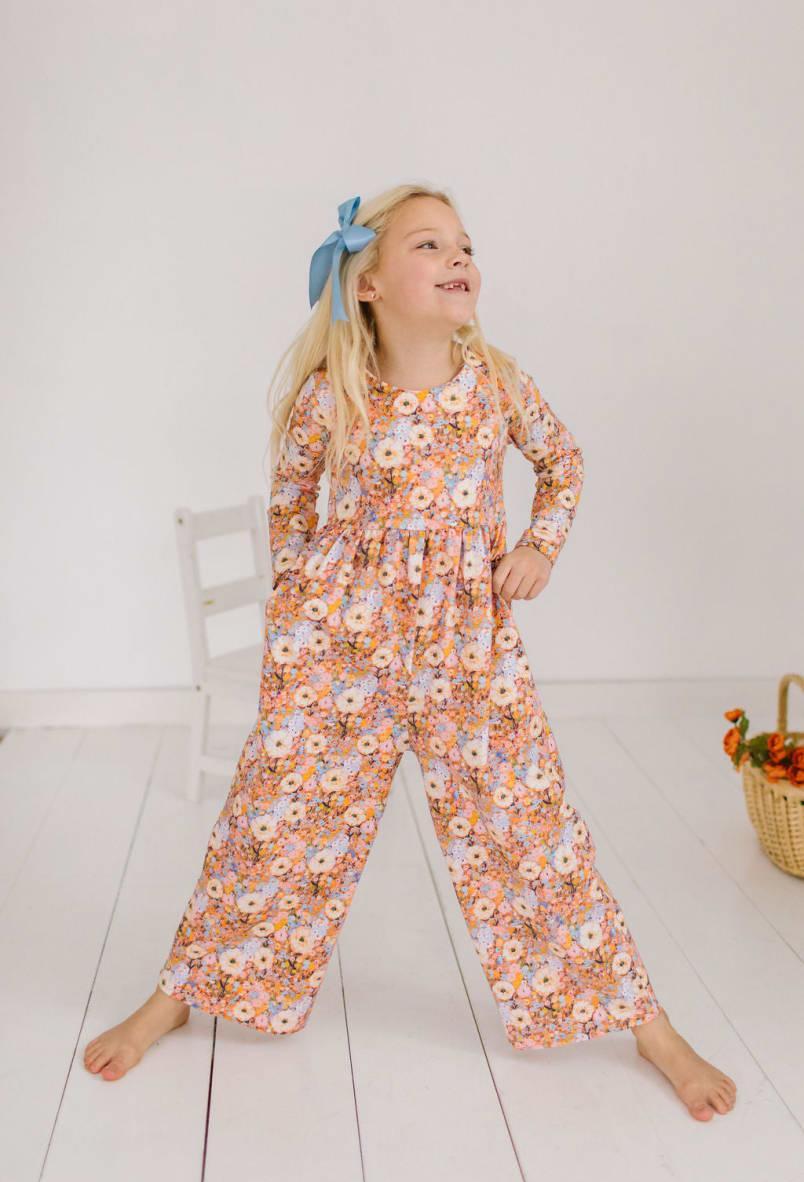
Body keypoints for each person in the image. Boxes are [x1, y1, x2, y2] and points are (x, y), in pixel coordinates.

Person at [84, 184, 736, 1121]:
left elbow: (564, 461)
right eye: (429, 244)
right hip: (339, 647)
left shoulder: (497, 383)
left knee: (530, 830)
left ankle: (646, 1023)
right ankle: (182, 992)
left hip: (466, 646)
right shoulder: (333, 394)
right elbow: (292, 502)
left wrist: (540, 545)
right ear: (369, 284)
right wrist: (301, 608)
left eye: (464, 244)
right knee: (274, 821)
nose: (458, 256)